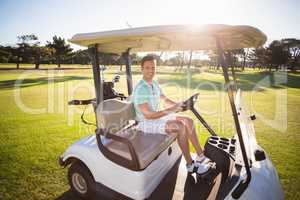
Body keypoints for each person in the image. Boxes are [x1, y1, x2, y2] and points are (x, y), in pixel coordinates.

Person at [132, 55, 213, 175]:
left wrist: (179, 105)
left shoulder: (153, 83)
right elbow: (148, 115)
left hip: (156, 118)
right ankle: (190, 165)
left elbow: (164, 100)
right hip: (145, 123)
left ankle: (201, 156)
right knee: (180, 126)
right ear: (142, 69)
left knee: (188, 121)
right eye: (147, 67)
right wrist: (172, 110)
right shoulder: (141, 89)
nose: (151, 70)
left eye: (153, 67)